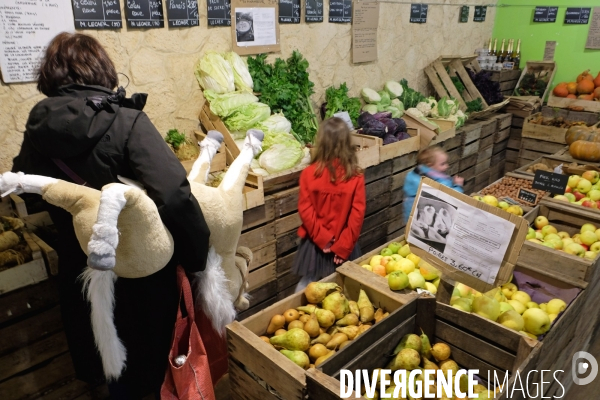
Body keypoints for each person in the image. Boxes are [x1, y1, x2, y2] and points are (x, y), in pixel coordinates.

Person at [11, 32, 211, 399]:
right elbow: (175, 195)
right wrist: (199, 258)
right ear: (100, 69)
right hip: (142, 277)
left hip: (82, 269)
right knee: (152, 373)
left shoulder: (38, 126)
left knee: (109, 368)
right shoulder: (126, 121)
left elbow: (33, 194)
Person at [292, 117, 366, 292]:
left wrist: (322, 238)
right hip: (344, 241)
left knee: (308, 284)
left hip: (315, 243)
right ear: (348, 142)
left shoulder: (308, 174)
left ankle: (297, 313)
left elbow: (305, 209)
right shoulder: (355, 177)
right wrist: (343, 246)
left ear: (321, 142)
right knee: (345, 286)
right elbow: (357, 216)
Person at [403, 146, 464, 224]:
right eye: (443, 164)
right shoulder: (436, 182)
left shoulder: (415, 174)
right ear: (430, 165)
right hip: (428, 219)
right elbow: (452, 196)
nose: (447, 166)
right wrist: (458, 185)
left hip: (412, 216)